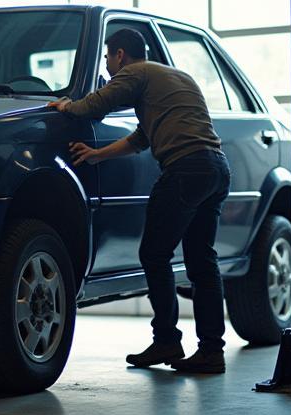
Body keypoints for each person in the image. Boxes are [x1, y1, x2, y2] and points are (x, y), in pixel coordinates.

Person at [48, 28, 231, 373]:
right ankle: (211, 350)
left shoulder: (136, 71)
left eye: (107, 56)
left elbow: (97, 104)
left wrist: (67, 105)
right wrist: (98, 155)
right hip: (215, 169)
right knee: (202, 261)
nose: (106, 63)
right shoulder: (174, 77)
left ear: (120, 55)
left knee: (154, 253)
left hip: (185, 169)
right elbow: (141, 138)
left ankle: (166, 341)